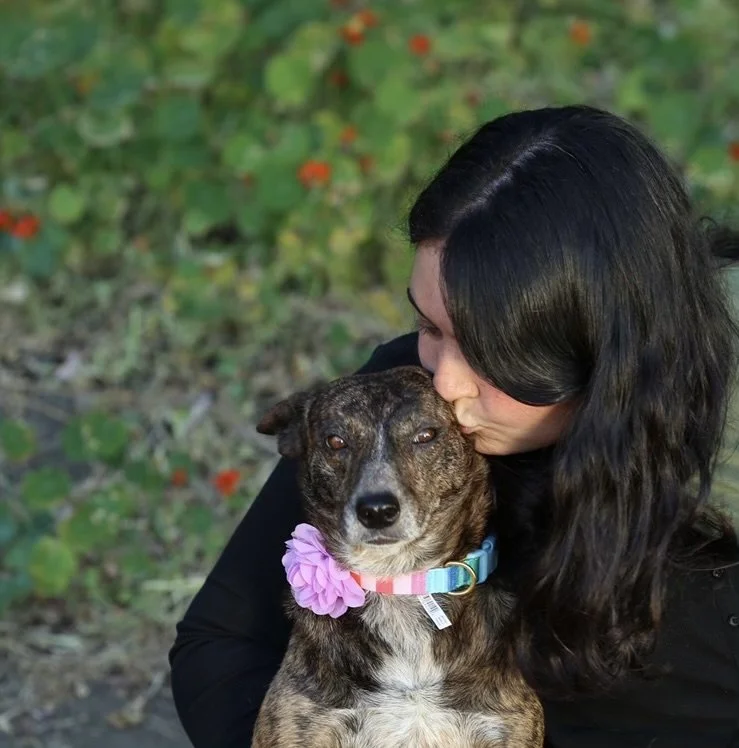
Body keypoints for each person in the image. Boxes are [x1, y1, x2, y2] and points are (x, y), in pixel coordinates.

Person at [169, 105, 739, 747]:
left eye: (491, 352)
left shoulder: (699, 564)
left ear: (602, 354)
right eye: (430, 326)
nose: (443, 384)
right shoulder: (403, 399)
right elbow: (222, 642)